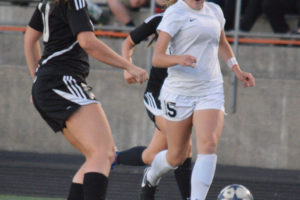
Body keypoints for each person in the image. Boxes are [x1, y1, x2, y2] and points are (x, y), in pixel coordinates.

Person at [24, 0, 148, 200]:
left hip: (51, 84)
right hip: (62, 81)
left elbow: (30, 38)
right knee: (104, 153)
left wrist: (36, 80)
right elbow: (88, 42)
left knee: (96, 156)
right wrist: (129, 66)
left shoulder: (46, 3)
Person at [139, 0, 255, 200]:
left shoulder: (214, 10)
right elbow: (157, 58)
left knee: (208, 143)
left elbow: (222, 43)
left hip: (210, 89)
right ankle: (151, 176)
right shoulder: (175, 13)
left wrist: (236, 69)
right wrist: (178, 59)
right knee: (176, 157)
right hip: (178, 92)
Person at [115, 2, 193, 199]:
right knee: (184, 146)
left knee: (151, 155)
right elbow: (128, 43)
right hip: (157, 96)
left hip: (181, 96)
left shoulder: (200, 21)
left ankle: (112, 157)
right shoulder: (160, 20)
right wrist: (128, 67)